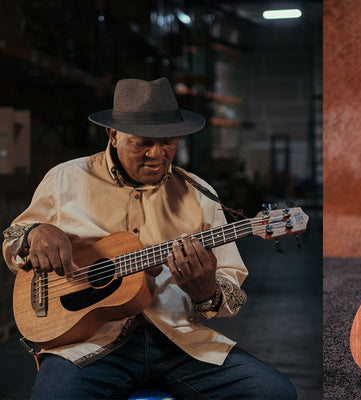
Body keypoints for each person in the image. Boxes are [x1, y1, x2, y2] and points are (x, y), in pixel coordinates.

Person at [2, 77, 297, 399]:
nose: (157, 153)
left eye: (169, 141)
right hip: (87, 344)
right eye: (142, 142)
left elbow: (232, 290)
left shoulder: (200, 195)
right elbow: (15, 239)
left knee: (273, 391)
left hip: (177, 340)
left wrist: (207, 292)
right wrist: (36, 232)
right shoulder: (65, 179)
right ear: (113, 135)